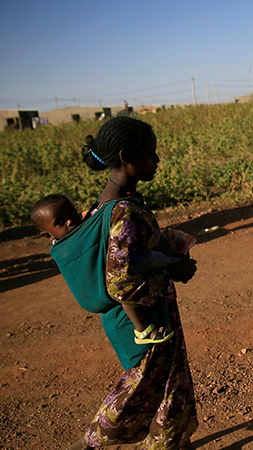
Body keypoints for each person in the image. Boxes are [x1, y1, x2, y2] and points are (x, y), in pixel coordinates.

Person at [65, 116, 199, 450]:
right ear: (127, 157)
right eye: (151, 154)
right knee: (140, 387)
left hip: (150, 314)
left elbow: (130, 252)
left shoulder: (109, 203)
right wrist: (172, 266)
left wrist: (164, 247)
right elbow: (121, 277)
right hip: (143, 321)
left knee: (171, 382)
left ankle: (169, 442)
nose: (157, 161)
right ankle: (90, 443)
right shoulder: (124, 209)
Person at [30, 194, 196, 346]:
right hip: (110, 288)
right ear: (47, 235)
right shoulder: (63, 248)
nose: (70, 222)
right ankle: (142, 329)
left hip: (120, 287)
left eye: (72, 214)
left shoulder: (84, 229)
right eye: (60, 222)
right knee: (124, 290)